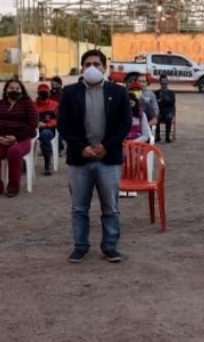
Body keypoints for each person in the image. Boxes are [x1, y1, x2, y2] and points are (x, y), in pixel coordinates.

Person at [58, 49, 131, 263]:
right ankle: (80, 246)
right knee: (79, 208)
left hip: (108, 159)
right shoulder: (70, 92)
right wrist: (81, 147)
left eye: (96, 64)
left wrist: (106, 146)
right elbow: (64, 124)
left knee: (111, 207)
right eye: (87, 64)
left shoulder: (118, 92)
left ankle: (110, 246)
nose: (92, 68)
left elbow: (125, 124)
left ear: (104, 67)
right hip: (79, 159)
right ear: (82, 68)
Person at [0, 79, 38, 197]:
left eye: (17, 88)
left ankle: (13, 187)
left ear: (22, 90)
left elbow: (33, 123)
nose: (14, 90)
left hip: (21, 139)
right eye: (11, 88)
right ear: (6, 90)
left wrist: (16, 138)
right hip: (0, 139)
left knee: (14, 151)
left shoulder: (28, 104)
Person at [35, 83, 59, 176]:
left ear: (49, 93)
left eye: (45, 92)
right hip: (34, 130)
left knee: (45, 135)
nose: (43, 94)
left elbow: (59, 120)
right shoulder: (33, 105)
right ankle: (24, 165)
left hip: (49, 129)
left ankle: (47, 164)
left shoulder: (54, 105)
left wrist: (46, 124)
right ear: (38, 93)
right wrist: (35, 124)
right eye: (41, 92)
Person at [154, 74, 176, 143]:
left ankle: (167, 137)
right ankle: (157, 136)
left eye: (165, 81)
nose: (164, 83)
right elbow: (155, 103)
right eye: (162, 82)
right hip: (159, 112)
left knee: (169, 117)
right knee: (156, 117)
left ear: (167, 82)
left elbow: (172, 102)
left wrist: (163, 100)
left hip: (168, 112)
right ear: (160, 82)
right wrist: (162, 101)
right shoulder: (156, 93)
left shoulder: (171, 93)